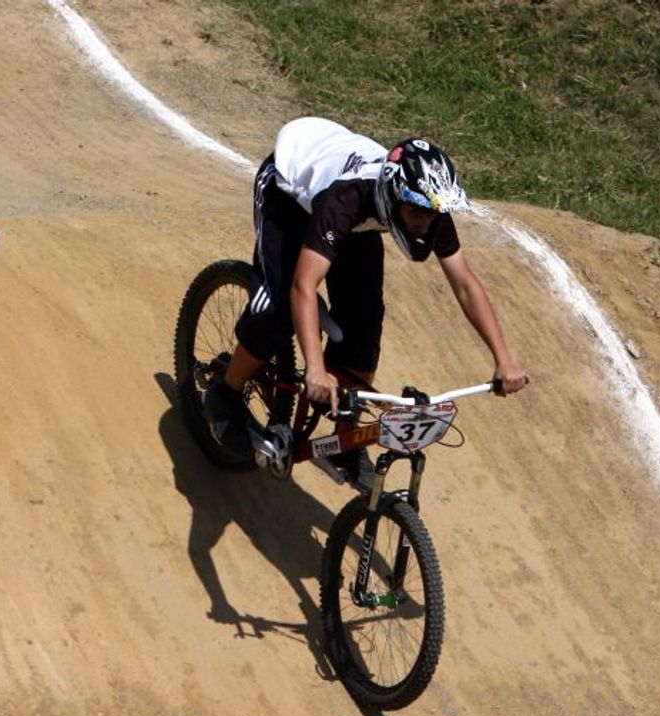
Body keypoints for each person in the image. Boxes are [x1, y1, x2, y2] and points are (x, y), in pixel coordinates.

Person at [203, 117, 529, 492]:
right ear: (394, 198)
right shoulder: (345, 198)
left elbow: (466, 285)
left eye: (431, 215)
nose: (425, 225)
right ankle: (226, 391)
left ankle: (345, 440)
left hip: (358, 220)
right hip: (289, 199)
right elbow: (303, 285)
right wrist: (314, 368)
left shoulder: (427, 206)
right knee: (278, 308)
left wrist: (503, 358)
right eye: (417, 214)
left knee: (364, 321)